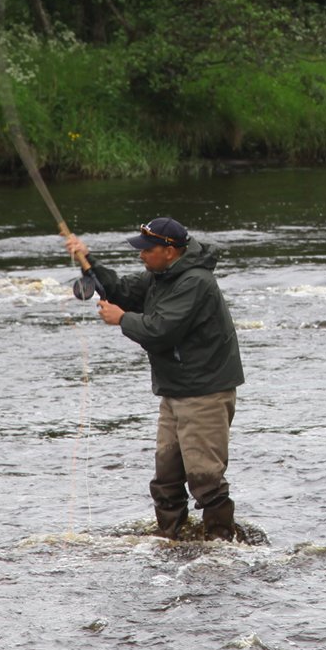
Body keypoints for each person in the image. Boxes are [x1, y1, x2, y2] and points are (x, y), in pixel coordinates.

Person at [63, 218, 246, 541]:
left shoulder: (195, 283)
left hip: (204, 392)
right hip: (175, 391)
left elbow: (161, 331)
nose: (141, 255)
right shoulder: (161, 277)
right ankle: (170, 540)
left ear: (170, 251)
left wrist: (122, 319)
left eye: (148, 250)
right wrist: (88, 262)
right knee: (166, 479)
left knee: (205, 479)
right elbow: (120, 291)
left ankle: (221, 548)